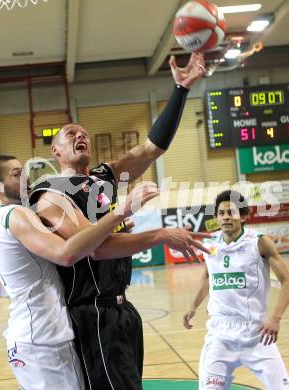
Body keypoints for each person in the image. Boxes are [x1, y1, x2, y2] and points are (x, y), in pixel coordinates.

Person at [29, 53, 209, 390]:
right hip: (92, 313)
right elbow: (95, 248)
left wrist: (180, 90)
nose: (80, 135)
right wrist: (159, 235)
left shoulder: (104, 176)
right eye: (70, 134)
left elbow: (152, 148)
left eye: (83, 132)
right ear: (55, 150)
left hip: (122, 309)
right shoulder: (51, 191)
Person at [0, 155, 158, 390]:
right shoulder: (16, 214)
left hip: (33, 336)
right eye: (16, 174)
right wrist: (122, 212)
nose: (25, 176)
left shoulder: (3, 219)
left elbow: (79, 237)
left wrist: (111, 229)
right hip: (43, 337)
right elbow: (67, 253)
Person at [183, 190, 289, 390]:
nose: (226, 217)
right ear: (216, 217)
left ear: (244, 216)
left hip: (257, 333)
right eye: (221, 213)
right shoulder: (210, 243)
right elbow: (208, 276)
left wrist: (275, 317)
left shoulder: (259, 242)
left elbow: (287, 281)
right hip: (220, 333)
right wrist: (193, 306)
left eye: (231, 212)